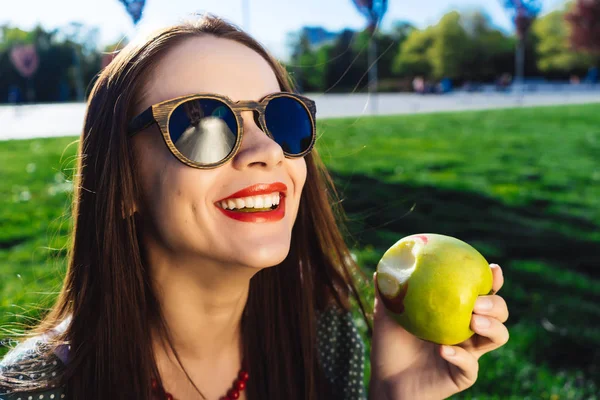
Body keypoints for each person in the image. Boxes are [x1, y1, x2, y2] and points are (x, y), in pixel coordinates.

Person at [0, 15, 509, 400]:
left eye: (281, 119)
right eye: (201, 125)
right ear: (124, 182)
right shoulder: (34, 390)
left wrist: (394, 393)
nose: (266, 150)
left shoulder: (326, 340)